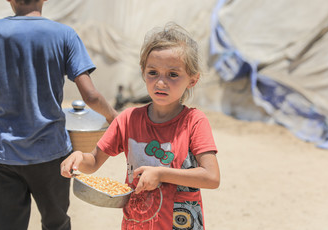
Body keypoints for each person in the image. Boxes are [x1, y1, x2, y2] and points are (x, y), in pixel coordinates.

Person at [0, 0, 118, 229]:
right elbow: (91, 96)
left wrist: (12, 97)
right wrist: (113, 117)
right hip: (51, 155)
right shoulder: (64, 35)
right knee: (56, 224)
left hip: (1, 155)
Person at [61, 22, 220, 229]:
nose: (161, 83)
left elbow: (211, 177)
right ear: (143, 72)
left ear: (192, 80)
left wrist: (161, 174)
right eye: (153, 72)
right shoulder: (128, 119)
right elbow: (93, 162)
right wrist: (78, 158)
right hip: (137, 221)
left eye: (173, 74)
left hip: (179, 223)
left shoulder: (194, 122)